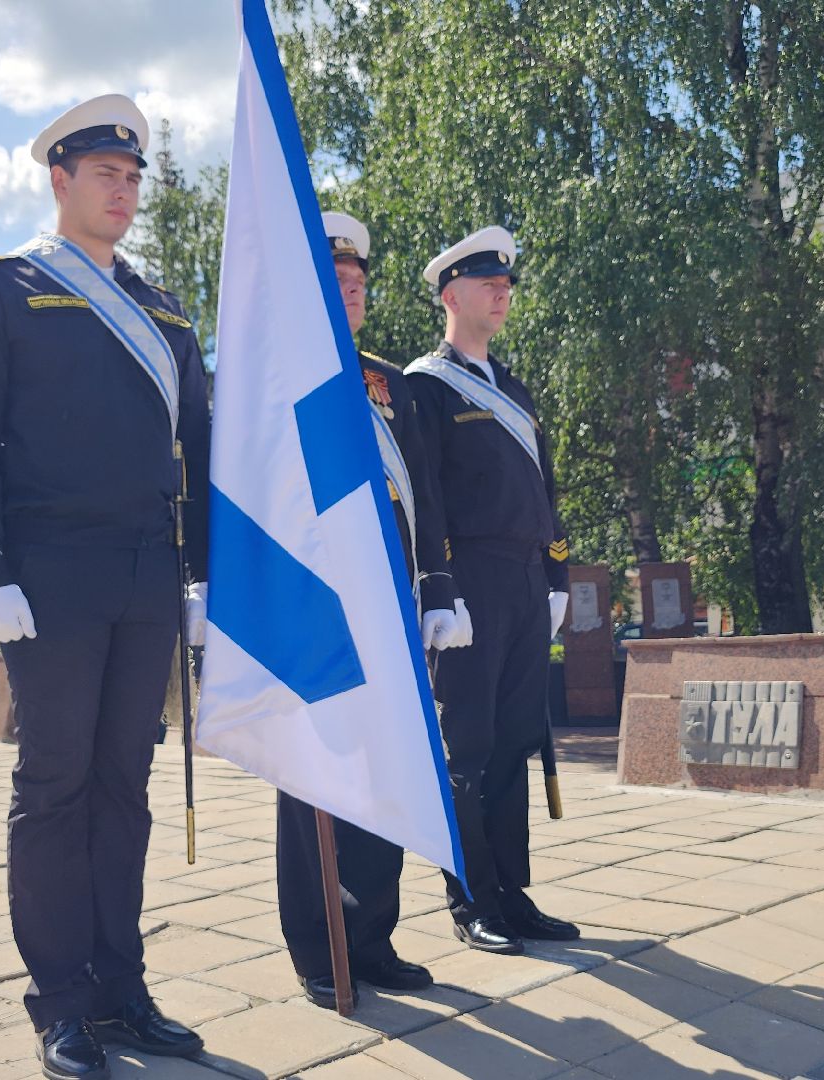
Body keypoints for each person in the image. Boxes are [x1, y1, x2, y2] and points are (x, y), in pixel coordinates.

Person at [0, 93, 211, 1080]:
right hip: (47, 574)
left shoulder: (165, 309)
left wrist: (203, 574)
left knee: (123, 786)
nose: (124, 190)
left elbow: (201, 449)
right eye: (106, 174)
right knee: (54, 786)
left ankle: (122, 989)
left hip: (145, 571)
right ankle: (61, 1003)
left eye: (134, 176)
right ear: (59, 180)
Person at [274, 211, 471, 1008]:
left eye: (359, 284)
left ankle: (373, 936)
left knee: (386, 769)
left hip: (391, 603)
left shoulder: (386, 382)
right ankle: (321, 949)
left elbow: (425, 494)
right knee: (316, 778)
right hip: (319, 603)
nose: (351, 293)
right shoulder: (278, 376)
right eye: (337, 281)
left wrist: (440, 588)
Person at [403, 225, 578, 954]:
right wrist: (439, 587)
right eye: (486, 284)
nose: (502, 292)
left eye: (506, 284)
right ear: (451, 295)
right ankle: (470, 897)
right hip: (469, 581)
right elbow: (426, 496)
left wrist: (560, 574)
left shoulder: (516, 388)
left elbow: (548, 487)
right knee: (467, 749)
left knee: (515, 743)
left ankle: (512, 891)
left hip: (525, 580)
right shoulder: (426, 386)